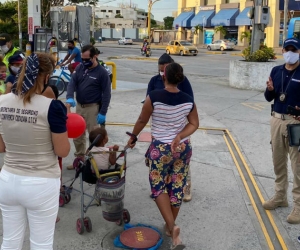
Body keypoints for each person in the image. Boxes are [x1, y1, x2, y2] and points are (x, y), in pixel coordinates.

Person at [0, 52, 70, 249]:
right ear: (46, 76)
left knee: (10, 241)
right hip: (41, 182)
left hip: (8, 180)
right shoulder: (52, 107)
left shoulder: (2, 102)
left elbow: (1, 147)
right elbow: (62, 151)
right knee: (41, 243)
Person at [127, 62, 199, 249]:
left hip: (161, 149)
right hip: (182, 149)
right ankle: (170, 228)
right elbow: (194, 124)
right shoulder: (188, 99)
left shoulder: (154, 97)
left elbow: (142, 119)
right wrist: (180, 136)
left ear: (163, 77)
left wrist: (133, 136)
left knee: (158, 186)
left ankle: (172, 226)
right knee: (177, 184)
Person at [145, 53, 194, 202]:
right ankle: (161, 190)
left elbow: (190, 103)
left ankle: (185, 189)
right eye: (160, 70)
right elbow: (148, 101)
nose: (162, 73)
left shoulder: (183, 82)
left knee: (181, 162)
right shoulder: (154, 81)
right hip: (160, 130)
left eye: (165, 70)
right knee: (160, 162)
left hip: (178, 130)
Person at [263, 38, 300, 224]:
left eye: (294, 49)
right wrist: (270, 90)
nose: (290, 52)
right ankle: (280, 197)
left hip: (296, 123)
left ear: (299, 51)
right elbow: (269, 97)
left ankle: (299, 206)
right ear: (283, 50)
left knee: (297, 166)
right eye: (288, 49)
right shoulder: (276, 71)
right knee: (278, 161)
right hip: (277, 119)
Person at [65, 45, 112, 170]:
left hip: (93, 108)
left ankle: (94, 163)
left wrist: (103, 112)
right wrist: (70, 97)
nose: (84, 61)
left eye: (87, 59)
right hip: (80, 107)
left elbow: (107, 94)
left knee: (95, 138)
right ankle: (80, 159)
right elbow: (72, 83)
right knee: (77, 136)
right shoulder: (80, 68)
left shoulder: (102, 73)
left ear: (95, 56)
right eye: (83, 59)